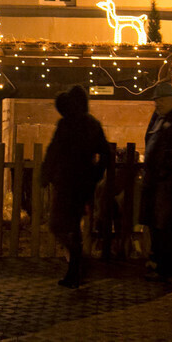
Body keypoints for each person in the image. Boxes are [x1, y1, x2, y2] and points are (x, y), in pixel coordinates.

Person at [42, 85, 112, 289]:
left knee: (59, 225)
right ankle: (76, 266)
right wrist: (95, 174)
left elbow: (53, 150)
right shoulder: (92, 124)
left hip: (67, 183)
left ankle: (77, 264)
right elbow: (105, 153)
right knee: (71, 226)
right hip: (81, 184)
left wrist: (46, 174)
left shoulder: (66, 124)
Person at [139, 81, 172, 283]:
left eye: (161, 99)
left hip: (168, 185)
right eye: (156, 100)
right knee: (160, 228)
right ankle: (164, 266)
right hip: (161, 184)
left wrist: (160, 172)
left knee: (169, 228)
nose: (157, 103)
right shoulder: (165, 119)